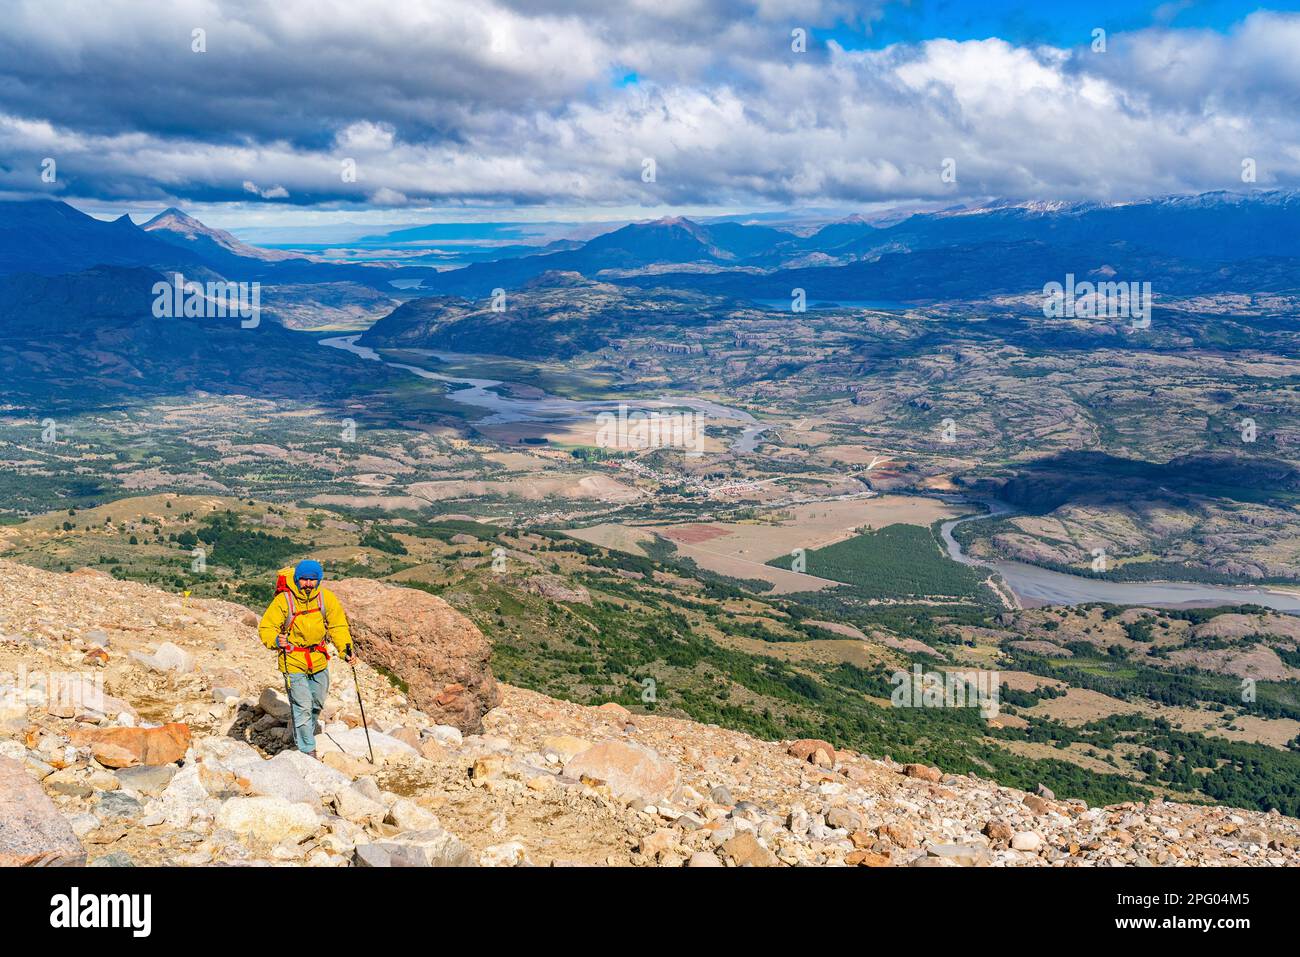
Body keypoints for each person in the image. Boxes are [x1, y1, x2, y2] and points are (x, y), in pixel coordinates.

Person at [257, 559, 355, 758]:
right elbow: (266, 627)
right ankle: (307, 749)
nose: (308, 584)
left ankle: (303, 734)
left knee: (317, 703)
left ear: (319, 580)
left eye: (313, 580)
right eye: (304, 579)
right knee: (302, 705)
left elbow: (337, 626)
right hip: (293, 660)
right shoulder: (285, 600)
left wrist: (346, 650)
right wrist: (276, 640)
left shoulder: (325, 598)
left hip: (318, 658)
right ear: (296, 578)